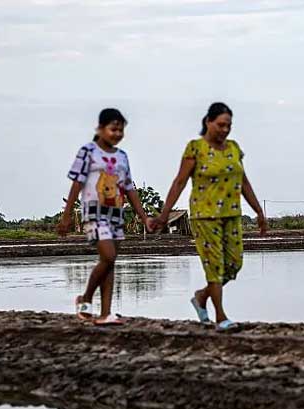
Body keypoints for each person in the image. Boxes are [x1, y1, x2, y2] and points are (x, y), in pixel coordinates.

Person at [154, 102, 268, 332]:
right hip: (204, 216)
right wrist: (165, 214)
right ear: (208, 122)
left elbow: (243, 181)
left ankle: (202, 296)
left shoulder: (234, 148)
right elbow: (179, 181)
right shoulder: (195, 148)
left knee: (233, 264)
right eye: (220, 125)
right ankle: (220, 317)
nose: (225, 129)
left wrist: (258, 211)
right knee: (214, 266)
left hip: (231, 214)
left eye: (229, 125)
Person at [58, 108, 152, 326]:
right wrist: (66, 216)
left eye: (121, 129)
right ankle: (86, 298)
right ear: (100, 129)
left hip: (116, 214)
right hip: (94, 214)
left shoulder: (122, 157)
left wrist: (144, 217)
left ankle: (106, 313)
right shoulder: (88, 152)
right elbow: (77, 183)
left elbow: (129, 188)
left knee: (109, 262)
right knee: (108, 257)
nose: (117, 133)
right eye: (113, 128)